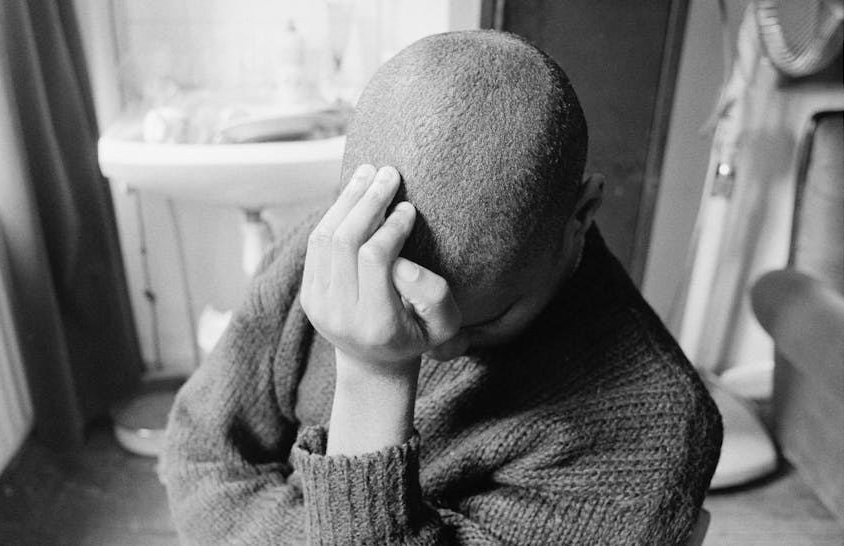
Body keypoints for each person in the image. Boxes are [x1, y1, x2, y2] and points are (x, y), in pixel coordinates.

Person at [162, 30, 722, 545]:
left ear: (581, 214)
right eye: (398, 302)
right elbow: (198, 460)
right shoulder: (330, 253)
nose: (437, 345)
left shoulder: (654, 431)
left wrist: (375, 376)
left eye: (480, 321)